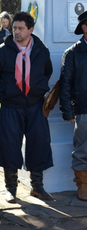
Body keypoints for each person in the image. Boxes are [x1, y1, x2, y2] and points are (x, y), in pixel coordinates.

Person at [0, 12, 53, 203]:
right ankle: (11, 188)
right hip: (11, 106)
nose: (16, 31)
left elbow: (46, 72)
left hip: (35, 105)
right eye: (14, 28)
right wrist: (7, 97)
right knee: (9, 145)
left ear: (30, 30)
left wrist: (35, 91)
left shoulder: (42, 50)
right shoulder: (2, 51)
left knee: (39, 143)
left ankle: (37, 187)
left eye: (20, 28)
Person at [60, 10, 87, 201]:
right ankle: (83, 186)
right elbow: (65, 85)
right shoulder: (72, 53)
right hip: (84, 110)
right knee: (82, 151)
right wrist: (68, 111)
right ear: (84, 27)